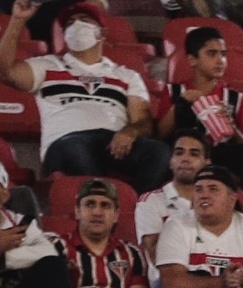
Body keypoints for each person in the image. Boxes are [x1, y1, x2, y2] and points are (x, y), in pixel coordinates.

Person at [4, 4, 166, 191]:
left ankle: (136, 209)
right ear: (64, 34)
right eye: (70, 23)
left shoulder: (126, 75)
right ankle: (98, 200)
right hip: (65, 141)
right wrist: (17, 20)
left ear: (102, 33)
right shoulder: (48, 65)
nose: (77, 25)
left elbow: (143, 121)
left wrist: (130, 132)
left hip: (111, 141)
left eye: (84, 20)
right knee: (76, 149)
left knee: (159, 152)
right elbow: (6, 72)